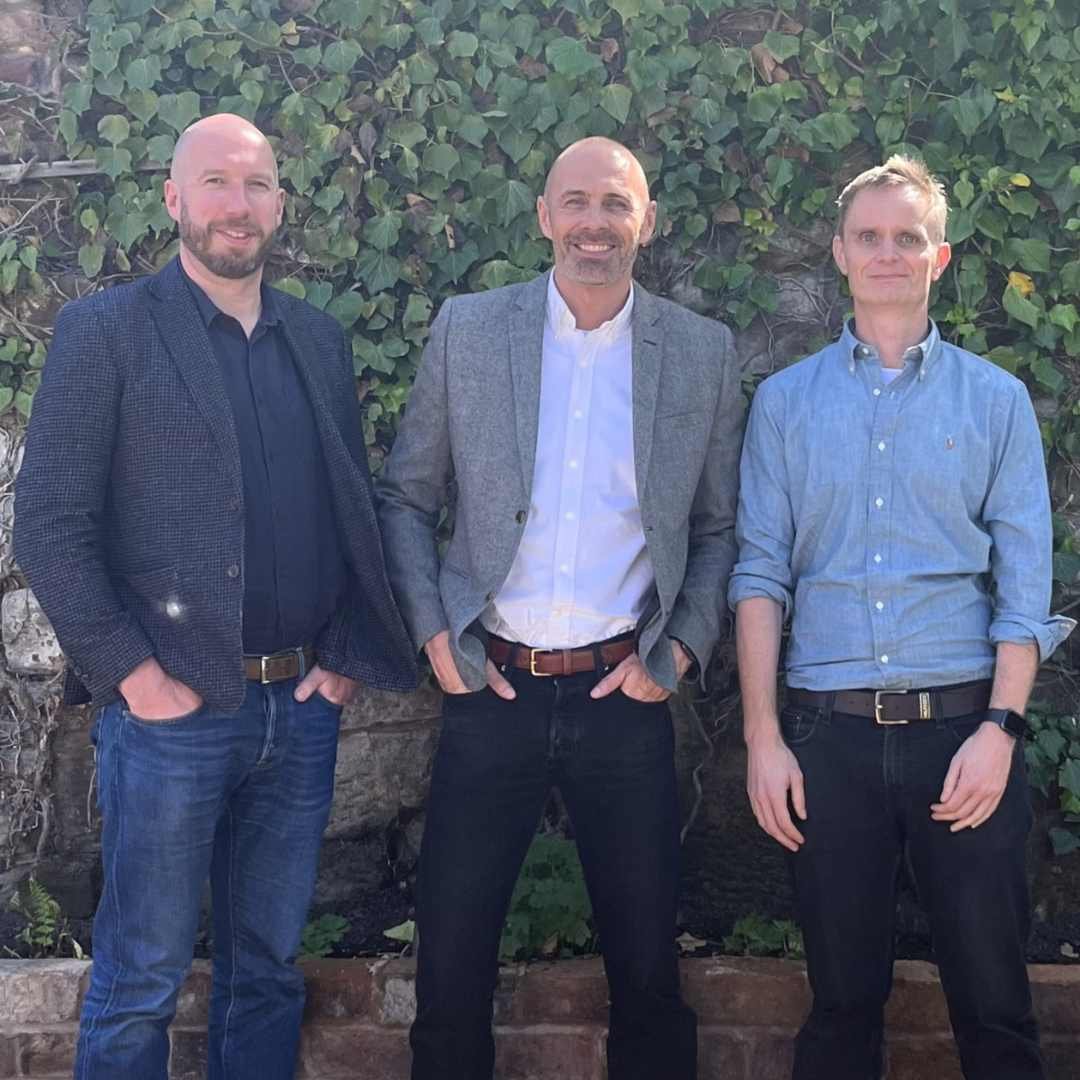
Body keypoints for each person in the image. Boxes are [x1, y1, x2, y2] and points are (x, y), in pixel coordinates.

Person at [14, 113, 417, 1080]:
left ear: (279, 204)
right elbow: (50, 527)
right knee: (141, 976)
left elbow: (351, 508)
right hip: (171, 717)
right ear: (174, 199)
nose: (239, 205)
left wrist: (341, 660)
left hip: (299, 711)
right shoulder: (106, 331)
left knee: (267, 971)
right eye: (217, 183)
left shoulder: (317, 340)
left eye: (257, 184)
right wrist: (136, 678)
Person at [376, 136, 744, 1080]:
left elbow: (716, 528)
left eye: (616, 204)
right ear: (544, 216)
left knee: (648, 966)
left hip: (624, 691)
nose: (594, 223)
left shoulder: (700, 353)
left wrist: (681, 651)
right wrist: (434, 634)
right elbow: (406, 498)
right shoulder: (470, 330)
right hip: (490, 686)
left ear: (647, 222)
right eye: (575, 202)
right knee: (450, 960)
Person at [729, 154, 1074, 1080]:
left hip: (964, 737)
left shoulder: (995, 402)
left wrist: (1001, 730)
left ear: (940, 257)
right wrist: (762, 739)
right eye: (870, 237)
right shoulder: (785, 404)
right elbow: (759, 575)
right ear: (840, 253)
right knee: (841, 1006)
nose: (889, 253)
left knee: (995, 1007)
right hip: (826, 743)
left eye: (908, 238)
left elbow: (1023, 587)